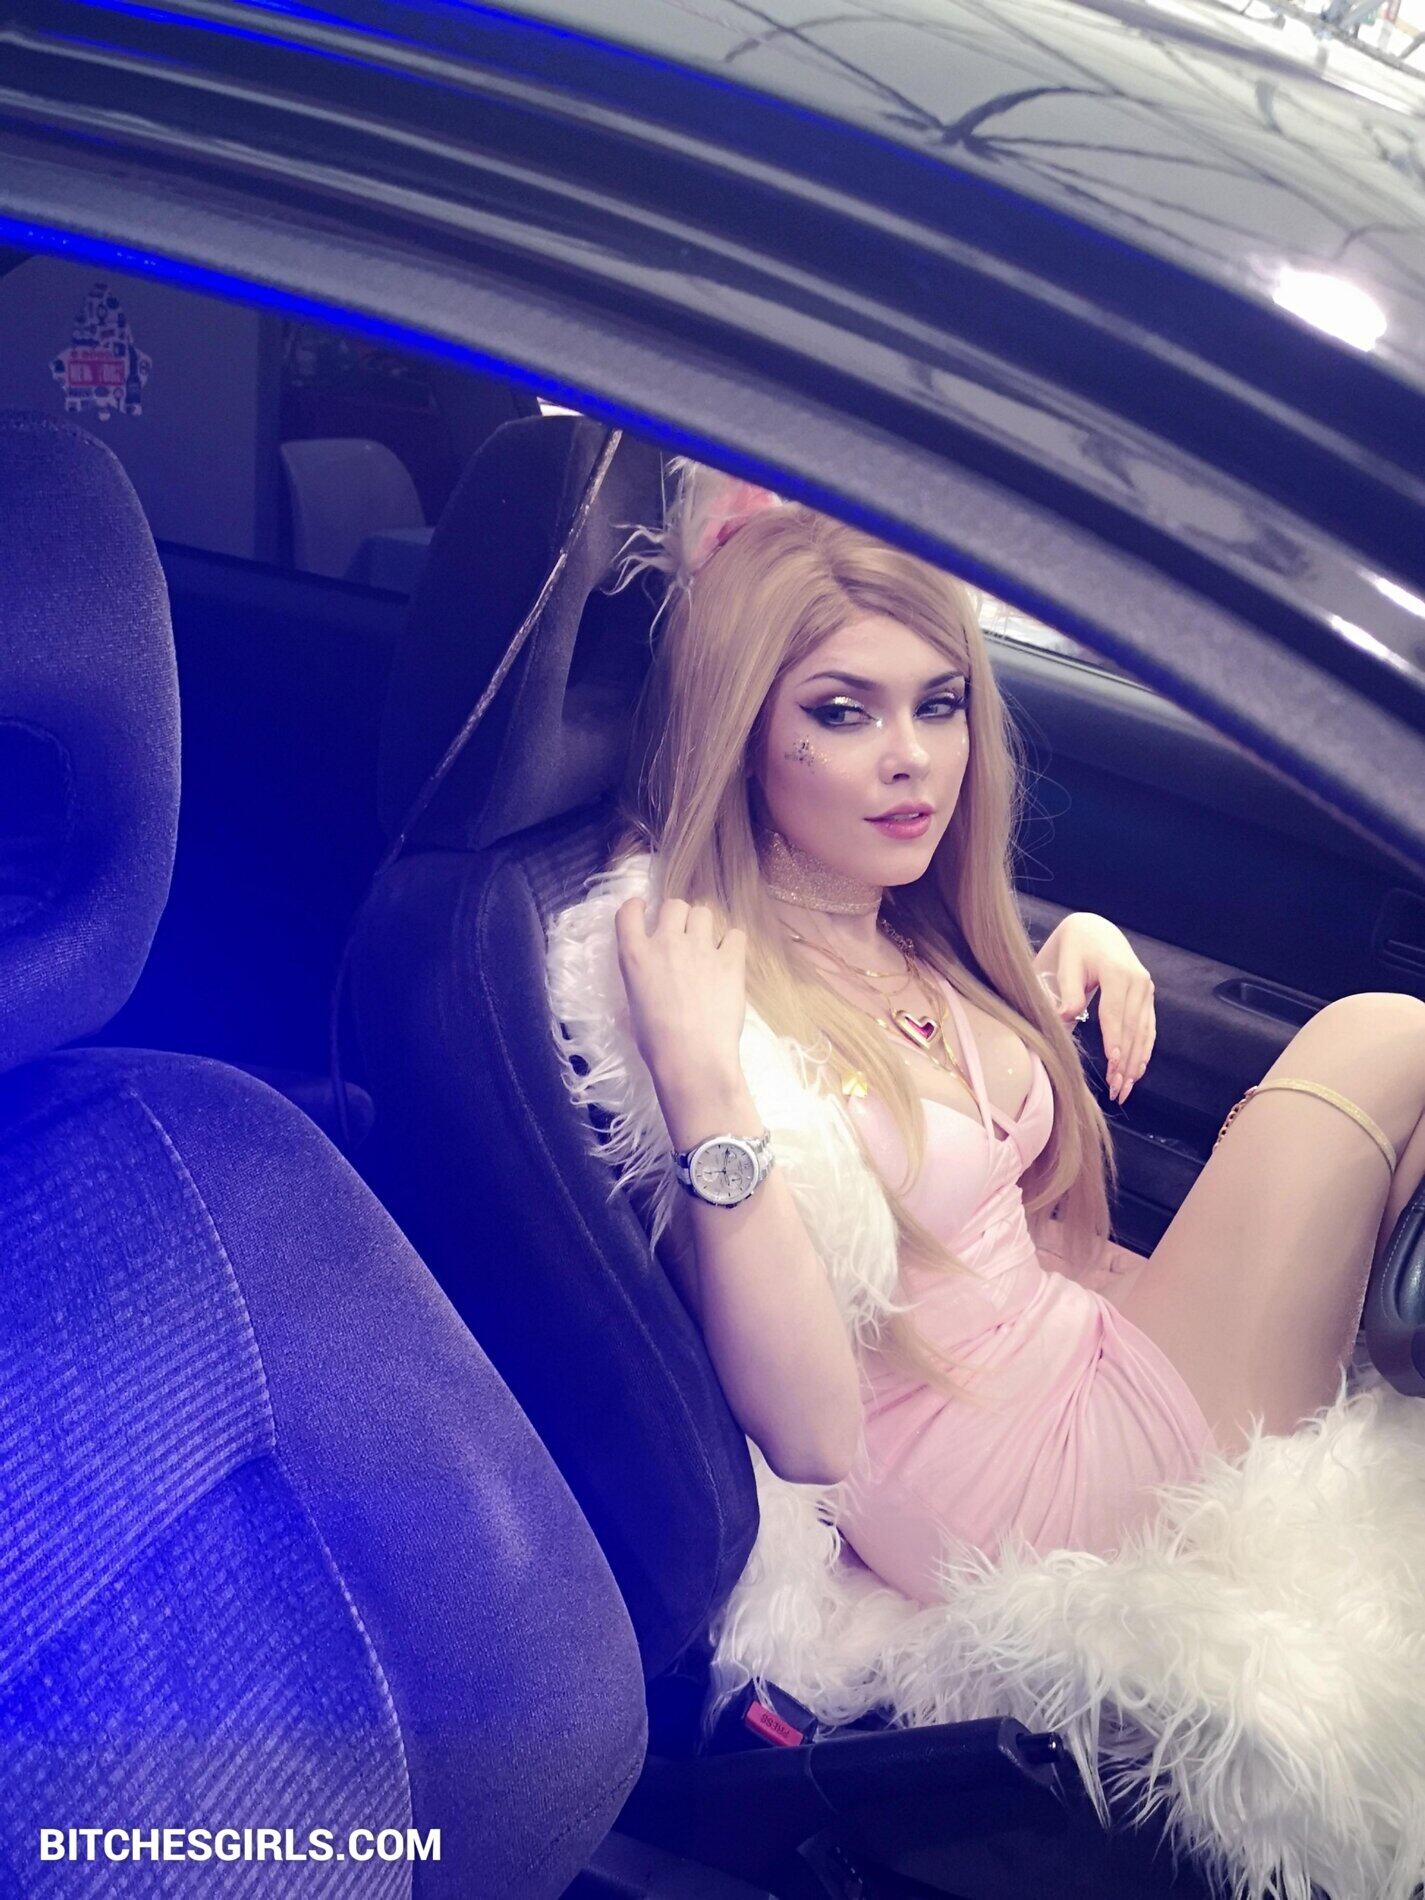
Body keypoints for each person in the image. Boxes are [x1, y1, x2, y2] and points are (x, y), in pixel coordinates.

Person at [544, 458, 1425, 1899]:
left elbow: (1009, 1202)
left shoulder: (888, 920)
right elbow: (811, 1432)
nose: (913, 759)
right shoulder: (704, 994)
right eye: (843, 712)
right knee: (1386, 1037)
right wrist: (706, 1089)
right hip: (1029, 1499)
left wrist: (1051, 968)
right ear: (743, 734)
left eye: (939, 703)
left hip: (1072, 1356)